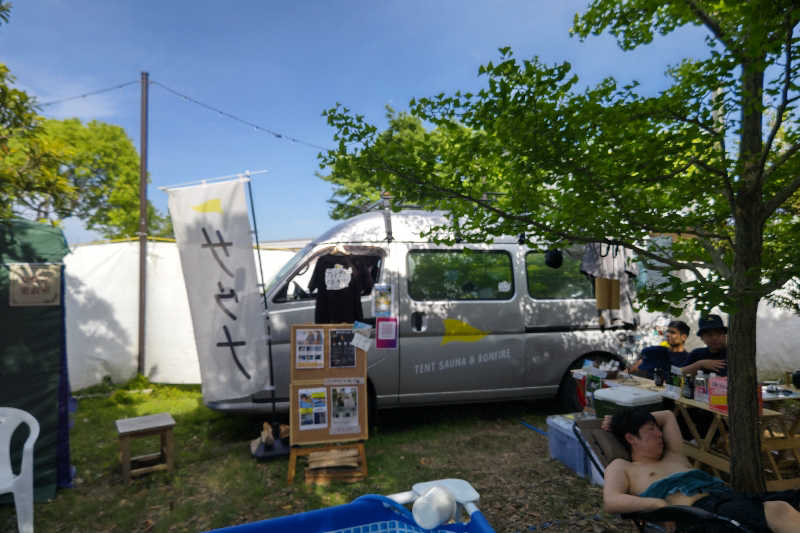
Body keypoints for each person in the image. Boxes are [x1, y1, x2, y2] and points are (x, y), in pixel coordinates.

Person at [602, 407, 800, 532]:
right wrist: (656, 504)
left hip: (731, 498)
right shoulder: (623, 466)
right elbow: (611, 501)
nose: (659, 433)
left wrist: (622, 422)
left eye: (657, 428)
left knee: (790, 501)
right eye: (651, 430)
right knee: (778, 510)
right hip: (703, 514)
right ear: (631, 438)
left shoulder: (673, 454)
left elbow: (668, 416)